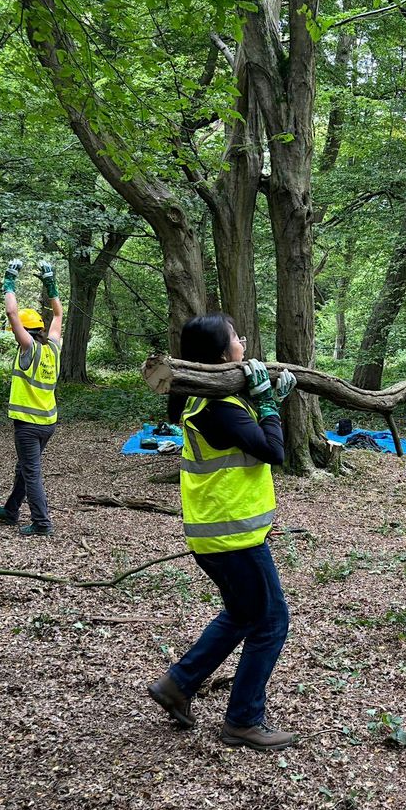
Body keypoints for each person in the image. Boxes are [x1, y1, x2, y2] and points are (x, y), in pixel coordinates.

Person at [147, 314, 299, 751]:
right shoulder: (217, 407)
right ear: (220, 354)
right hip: (233, 538)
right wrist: (269, 405)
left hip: (218, 533)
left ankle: (177, 685)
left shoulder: (201, 397)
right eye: (236, 337)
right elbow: (272, 451)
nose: (243, 340)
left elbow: (245, 435)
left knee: (242, 614)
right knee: (270, 622)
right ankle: (243, 720)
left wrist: (267, 402)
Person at [0, 259, 63, 536]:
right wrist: (50, 283)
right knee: (24, 467)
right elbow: (58, 316)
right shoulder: (53, 346)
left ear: (24, 331)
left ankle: (42, 523)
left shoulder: (28, 347)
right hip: (48, 422)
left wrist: (9, 281)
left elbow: (11, 313)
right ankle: (10, 510)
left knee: (31, 472)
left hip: (28, 424)